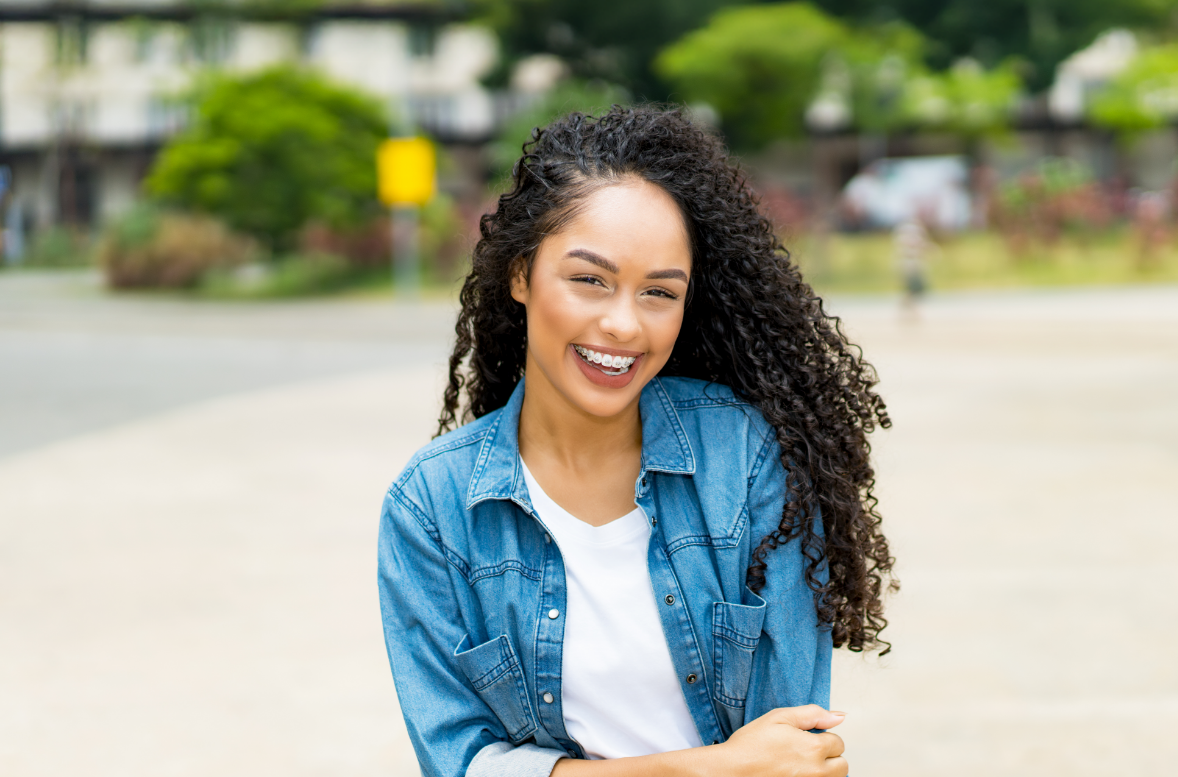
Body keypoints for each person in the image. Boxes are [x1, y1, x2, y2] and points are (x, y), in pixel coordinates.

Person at [377, 106, 894, 777]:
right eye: (589, 279)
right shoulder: (433, 507)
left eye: (658, 291)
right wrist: (707, 767)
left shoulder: (743, 458)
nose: (623, 323)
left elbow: (788, 754)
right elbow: (461, 763)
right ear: (519, 275)